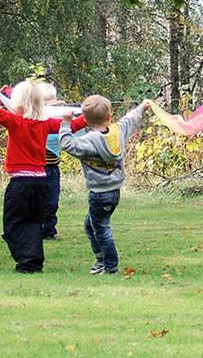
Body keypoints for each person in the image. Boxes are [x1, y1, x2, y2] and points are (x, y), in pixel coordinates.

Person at [0, 81, 86, 272]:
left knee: (12, 223)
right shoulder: (45, 124)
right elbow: (72, 126)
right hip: (41, 181)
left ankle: (26, 260)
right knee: (33, 222)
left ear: (18, 103)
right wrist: (89, 116)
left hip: (20, 182)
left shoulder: (15, 122)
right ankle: (33, 261)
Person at [59, 96, 149, 274]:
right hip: (114, 191)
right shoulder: (118, 131)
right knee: (90, 224)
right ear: (109, 116)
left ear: (85, 120)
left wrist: (65, 123)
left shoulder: (88, 141)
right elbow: (130, 119)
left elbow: (66, 144)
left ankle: (110, 266)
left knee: (101, 230)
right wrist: (142, 108)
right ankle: (101, 259)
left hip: (99, 193)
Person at [37, 82, 70, 239]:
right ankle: (35, 229)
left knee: (52, 202)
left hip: (52, 168)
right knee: (36, 201)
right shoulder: (36, 116)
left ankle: (49, 231)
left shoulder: (58, 116)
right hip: (37, 167)